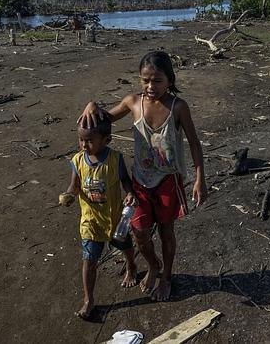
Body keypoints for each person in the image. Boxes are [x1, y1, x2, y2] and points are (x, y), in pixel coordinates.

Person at [79, 50, 206, 301]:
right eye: (145, 80)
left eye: (157, 81)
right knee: (139, 232)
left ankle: (166, 276)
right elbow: (102, 119)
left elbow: (194, 142)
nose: (150, 86)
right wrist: (92, 105)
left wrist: (200, 178)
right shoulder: (132, 103)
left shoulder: (178, 107)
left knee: (167, 231)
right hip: (140, 182)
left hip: (169, 181)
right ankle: (153, 265)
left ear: (170, 80)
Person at [60, 117, 138, 319]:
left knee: (125, 244)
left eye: (90, 141)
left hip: (113, 218)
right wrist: (69, 194)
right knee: (89, 260)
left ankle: (131, 264)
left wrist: (130, 193)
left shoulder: (115, 159)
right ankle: (89, 299)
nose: (84, 145)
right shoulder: (77, 160)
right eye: (81, 140)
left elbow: (126, 182)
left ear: (107, 139)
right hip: (91, 221)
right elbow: (74, 185)